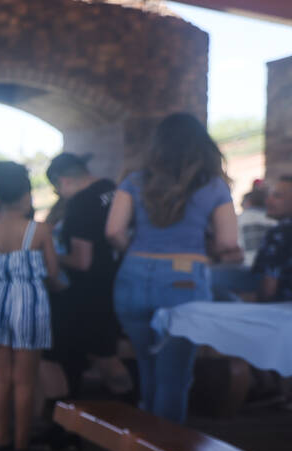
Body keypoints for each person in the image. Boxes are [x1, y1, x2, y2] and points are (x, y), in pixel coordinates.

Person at [106, 113, 241, 423]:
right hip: (184, 281)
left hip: (133, 276)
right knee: (174, 379)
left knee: (146, 368)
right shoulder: (214, 186)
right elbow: (227, 242)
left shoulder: (134, 181)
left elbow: (113, 231)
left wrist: (138, 253)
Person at [0, 161, 63, 451]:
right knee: (25, 380)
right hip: (31, 304)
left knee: (1, 377)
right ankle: (21, 449)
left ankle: (1, 445)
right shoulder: (39, 231)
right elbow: (53, 273)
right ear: (26, 197)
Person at [44, 152, 131, 399]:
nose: (60, 196)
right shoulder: (112, 189)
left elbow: (82, 261)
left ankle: (126, 409)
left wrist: (49, 254)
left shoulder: (80, 204)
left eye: (57, 189)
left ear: (64, 181)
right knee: (108, 351)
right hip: (119, 281)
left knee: (103, 357)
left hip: (91, 293)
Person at [252, 175, 292, 302]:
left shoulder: (280, 233)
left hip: (280, 313)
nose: (268, 201)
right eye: (269, 195)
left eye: (277, 196)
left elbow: (269, 288)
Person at [238, 183, 275, 267]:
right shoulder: (275, 220)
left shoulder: (241, 219)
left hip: (247, 266)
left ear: (248, 202)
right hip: (270, 268)